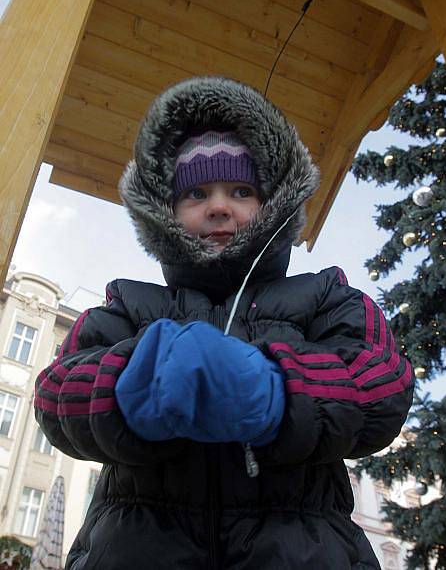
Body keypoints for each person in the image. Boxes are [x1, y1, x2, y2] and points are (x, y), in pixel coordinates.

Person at [34, 76, 414, 569]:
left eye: (240, 189)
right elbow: (56, 393)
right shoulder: (127, 305)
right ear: (165, 212)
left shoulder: (327, 297)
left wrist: (277, 390)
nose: (218, 205)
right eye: (196, 193)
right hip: (137, 548)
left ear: (272, 202)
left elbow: (381, 382)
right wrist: (132, 382)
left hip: (300, 550)